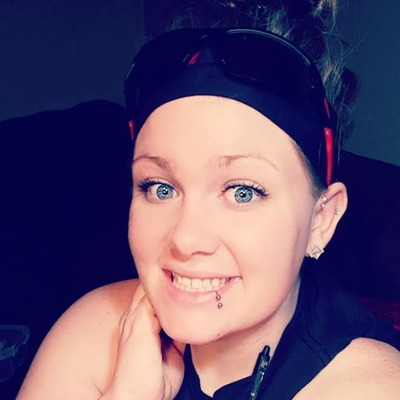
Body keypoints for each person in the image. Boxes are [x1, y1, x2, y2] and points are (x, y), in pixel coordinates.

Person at [17, 1, 400, 399]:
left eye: (242, 192)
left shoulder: (372, 388)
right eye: (159, 188)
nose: (185, 239)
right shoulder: (92, 334)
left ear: (322, 219)